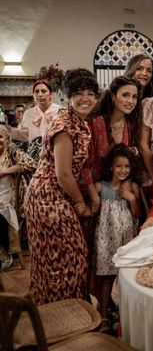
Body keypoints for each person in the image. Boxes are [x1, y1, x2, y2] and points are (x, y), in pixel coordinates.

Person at [23, 69, 99, 305]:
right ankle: (61, 317)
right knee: (68, 259)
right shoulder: (65, 125)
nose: (85, 98)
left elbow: (80, 169)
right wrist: (80, 202)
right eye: (78, 94)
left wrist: (92, 196)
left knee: (59, 260)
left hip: (57, 195)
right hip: (47, 197)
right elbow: (63, 173)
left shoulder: (81, 122)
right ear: (68, 97)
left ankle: (61, 315)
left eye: (90, 93)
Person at [93, 144, 143, 323]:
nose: (123, 170)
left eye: (127, 166)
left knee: (127, 275)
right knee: (108, 276)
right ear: (111, 167)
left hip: (127, 236)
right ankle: (104, 315)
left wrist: (131, 198)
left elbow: (137, 214)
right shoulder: (100, 187)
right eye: (119, 166)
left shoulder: (133, 187)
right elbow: (92, 206)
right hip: (107, 239)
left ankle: (126, 315)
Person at [83, 76, 141, 214]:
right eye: (125, 95)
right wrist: (93, 196)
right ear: (113, 96)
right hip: (90, 189)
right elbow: (83, 163)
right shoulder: (96, 122)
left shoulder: (130, 124)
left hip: (115, 195)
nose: (130, 101)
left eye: (134, 97)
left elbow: (127, 161)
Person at [0, 125, 35, 270]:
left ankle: (3, 253)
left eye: (0, 137)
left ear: (7, 139)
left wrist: (5, 172)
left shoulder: (12, 150)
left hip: (10, 200)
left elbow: (32, 164)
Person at [14, 79, 61, 159]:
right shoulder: (28, 113)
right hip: (33, 157)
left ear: (50, 94)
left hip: (55, 156)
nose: (40, 94)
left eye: (43, 91)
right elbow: (22, 134)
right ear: (33, 95)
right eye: (36, 91)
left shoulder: (61, 111)